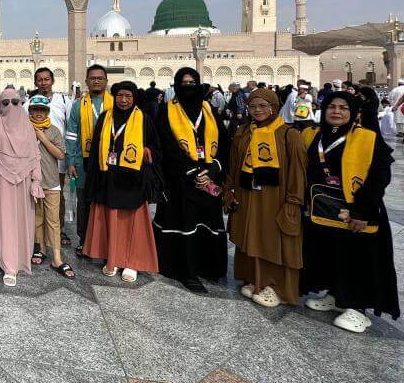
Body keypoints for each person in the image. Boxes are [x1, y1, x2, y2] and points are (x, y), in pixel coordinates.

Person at [300, 91, 399, 332]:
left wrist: (364, 211)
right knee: (331, 253)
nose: (336, 112)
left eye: (343, 108)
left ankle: (358, 308)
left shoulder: (367, 137)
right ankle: (335, 295)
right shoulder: (313, 135)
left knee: (358, 257)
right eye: (332, 106)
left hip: (357, 209)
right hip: (323, 208)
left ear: (353, 113)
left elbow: (379, 176)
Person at [223, 88, 307, 307]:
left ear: (274, 107)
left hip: (275, 198)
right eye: (252, 106)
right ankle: (255, 280)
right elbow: (233, 164)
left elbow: (298, 173)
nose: (257, 110)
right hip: (248, 195)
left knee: (274, 240)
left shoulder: (289, 135)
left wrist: (293, 201)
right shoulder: (243, 132)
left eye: (263, 106)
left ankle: (276, 286)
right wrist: (229, 190)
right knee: (250, 235)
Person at [151, 68, 230, 292]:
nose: (188, 86)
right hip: (180, 180)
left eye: (192, 82)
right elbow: (165, 144)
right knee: (184, 221)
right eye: (184, 82)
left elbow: (224, 142)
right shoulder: (166, 111)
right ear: (176, 85)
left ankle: (208, 267)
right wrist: (192, 170)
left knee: (207, 221)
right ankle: (186, 270)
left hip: (208, 178)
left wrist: (212, 169)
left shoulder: (209, 110)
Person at [83, 81, 161, 283]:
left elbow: (154, 144)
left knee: (132, 223)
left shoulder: (143, 119)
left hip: (132, 179)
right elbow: (95, 149)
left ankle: (132, 262)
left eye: (128, 96)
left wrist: (148, 152)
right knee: (111, 220)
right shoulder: (105, 117)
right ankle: (113, 258)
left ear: (134, 98)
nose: (124, 100)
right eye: (120, 96)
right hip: (108, 177)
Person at [0, 86, 43, 287]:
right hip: (1, 180)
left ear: (21, 104)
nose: (10, 106)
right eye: (5, 102)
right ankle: (2, 261)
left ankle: (17, 260)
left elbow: (35, 155)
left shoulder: (27, 126)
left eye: (15, 102)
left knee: (19, 220)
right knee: (1, 220)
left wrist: (37, 180)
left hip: (23, 180)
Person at [65, 64, 113, 257]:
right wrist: (71, 161)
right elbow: (71, 136)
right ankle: (84, 240)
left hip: (108, 161)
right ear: (86, 81)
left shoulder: (113, 104)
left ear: (106, 81)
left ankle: (106, 241)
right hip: (84, 161)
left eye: (100, 78)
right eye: (92, 78)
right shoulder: (78, 106)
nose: (96, 81)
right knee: (84, 202)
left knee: (106, 201)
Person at [28, 95, 73, 279]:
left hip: (52, 182)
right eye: (35, 110)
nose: (39, 113)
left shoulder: (53, 130)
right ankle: (40, 249)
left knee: (53, 221)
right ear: (30, 111)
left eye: (42, 110)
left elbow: (61, 155)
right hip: (32, 182)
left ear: (47, 112)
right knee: (37, 217)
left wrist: (42, 138)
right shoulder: (24, 129)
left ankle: (56, 257)